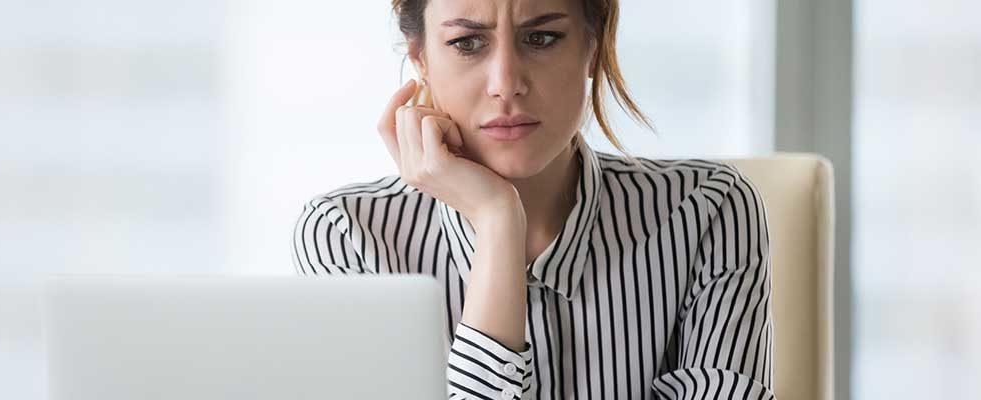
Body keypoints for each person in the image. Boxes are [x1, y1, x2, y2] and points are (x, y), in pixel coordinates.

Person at [290, 0, 776, 398]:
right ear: (420, 58)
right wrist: (498, 219)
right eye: (466, 43)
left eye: (541, 38)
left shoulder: (708, 210)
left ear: (593, 45)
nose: (506, 83)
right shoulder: (349, 236)